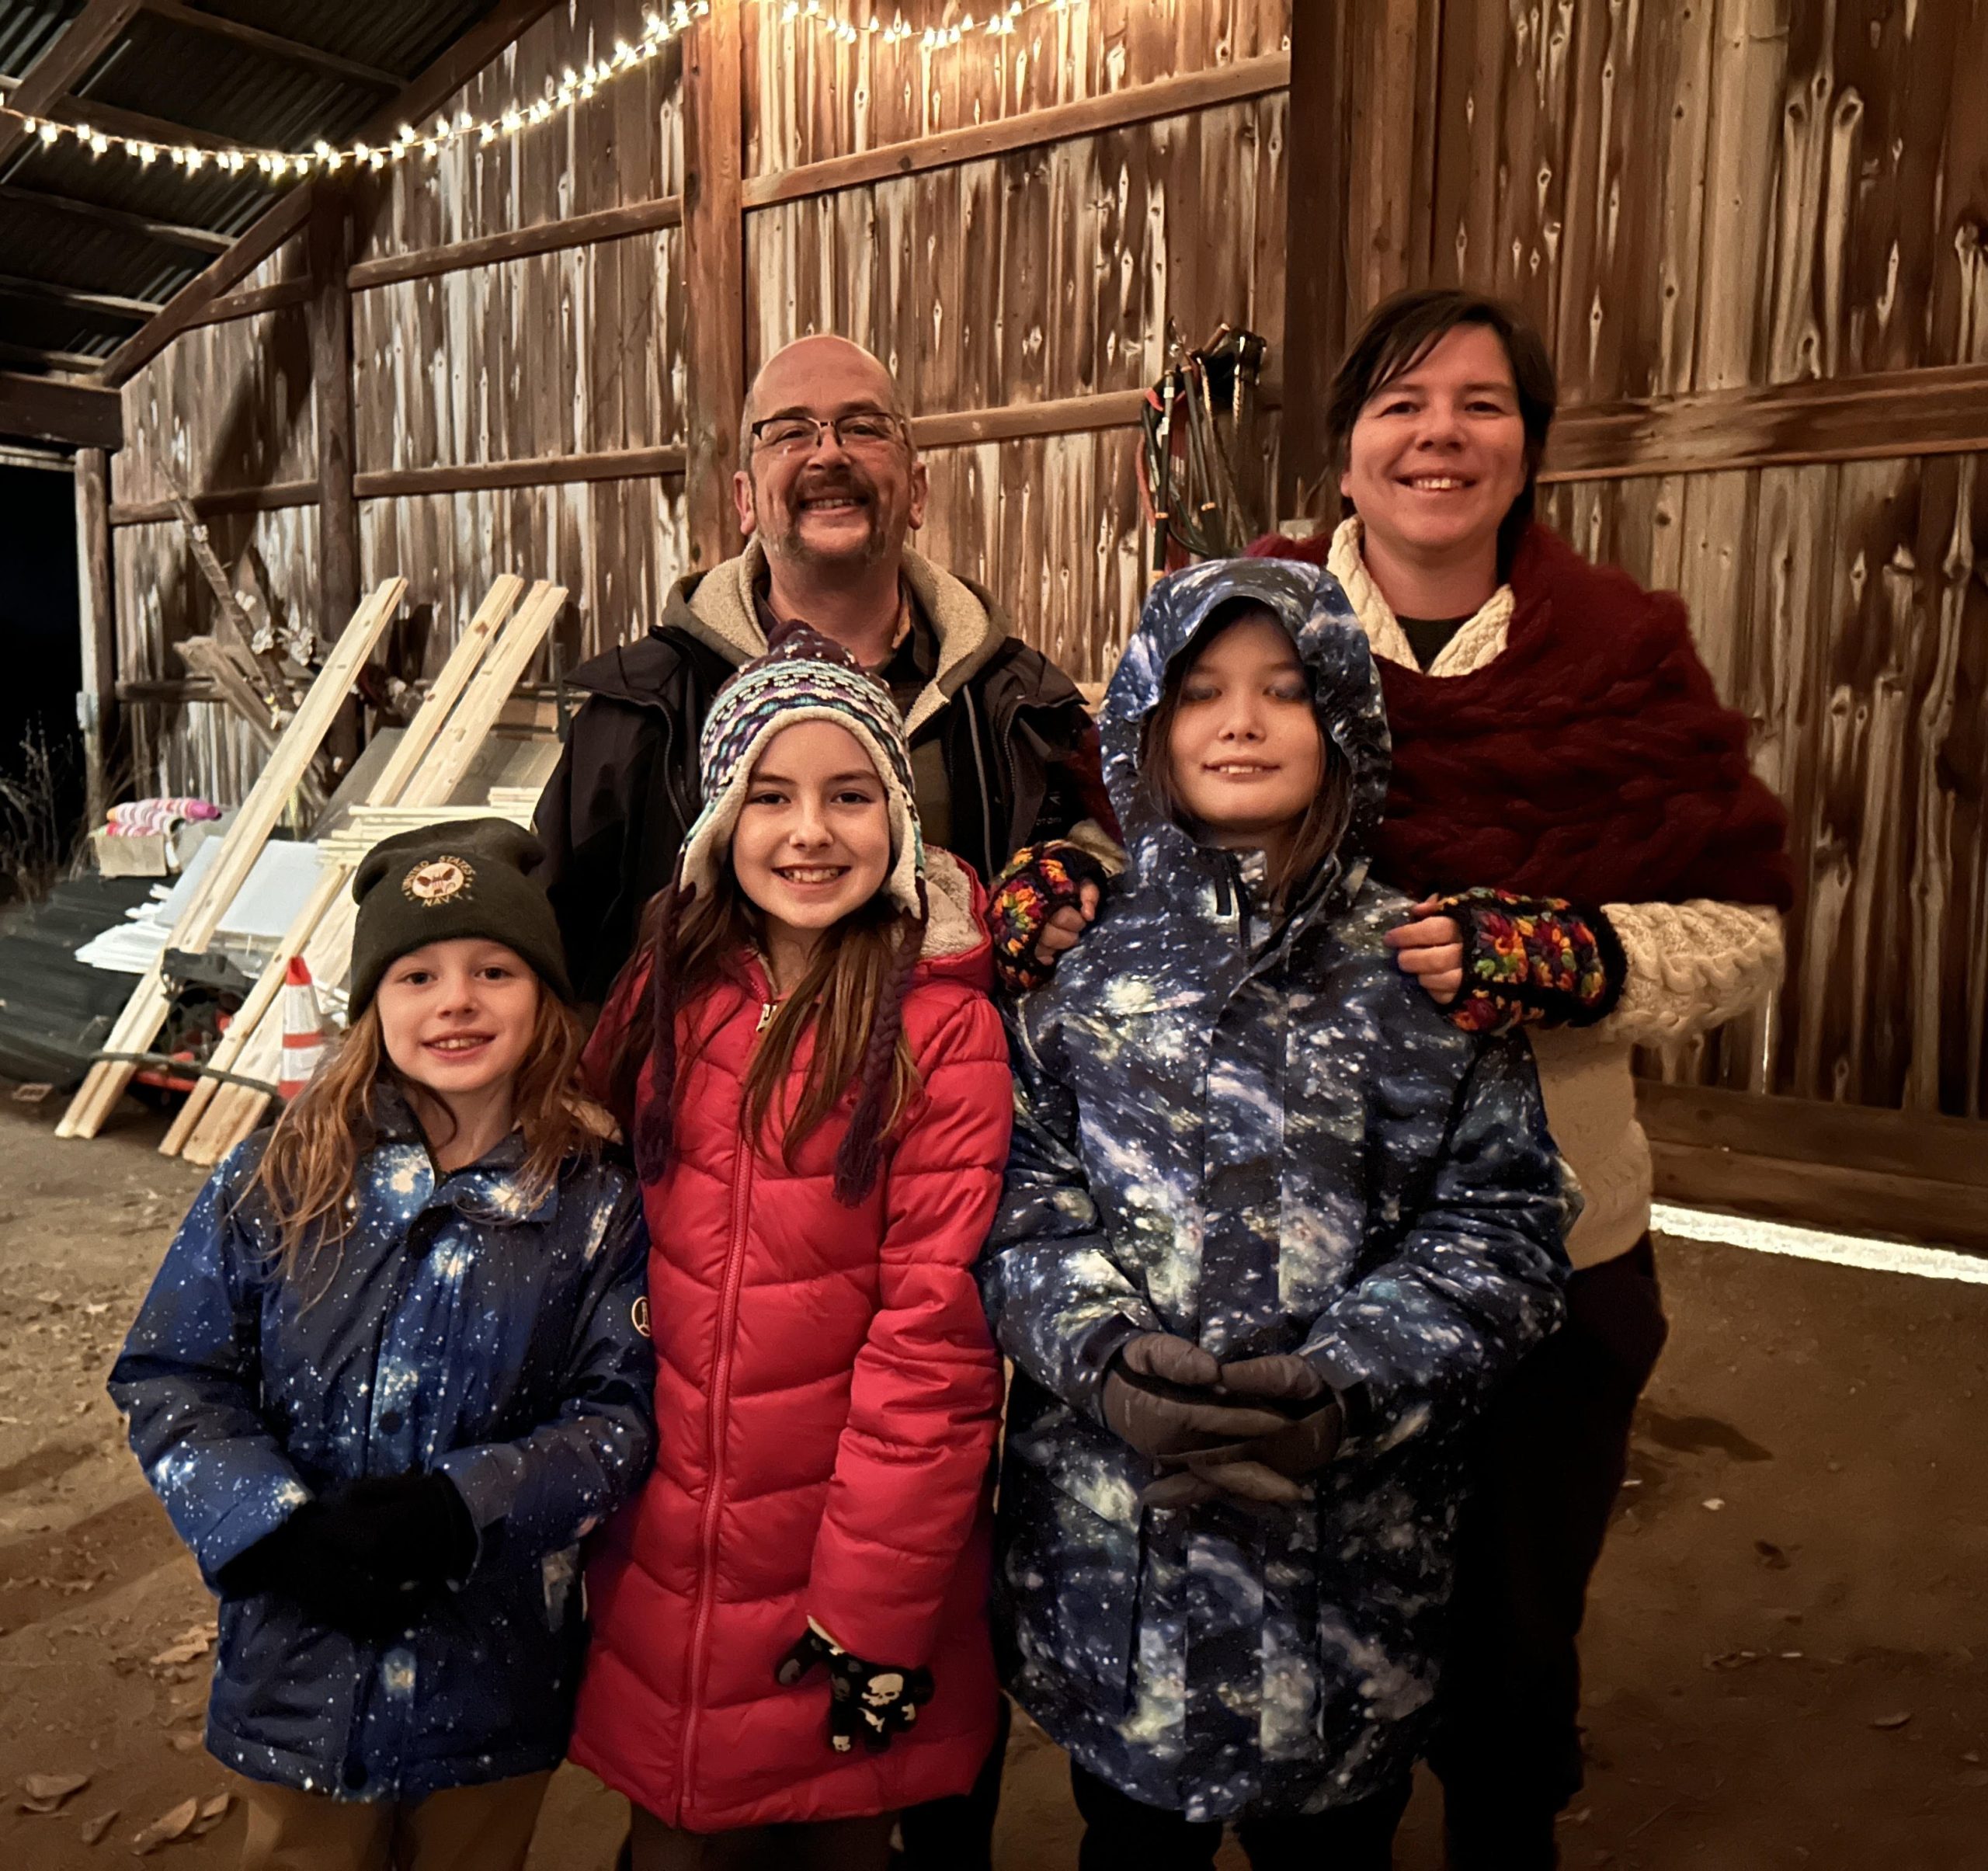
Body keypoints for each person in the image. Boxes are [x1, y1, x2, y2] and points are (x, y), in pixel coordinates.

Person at [1247, 287, 1795, 1866]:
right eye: (1398, 402)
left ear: (1528, 449)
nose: (1438, 434)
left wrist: (1577, 956)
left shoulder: (1622, 656)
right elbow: (1131, 838)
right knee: (1316, 1666)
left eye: (1479, 404)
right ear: (1344, 449)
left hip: (1554, 1248)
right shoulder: (1241, 632)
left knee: (1507, 1661)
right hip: (1300, 1257)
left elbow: (1744, 929)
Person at [980, 558, 1573, 1869]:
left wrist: (1348, 1379)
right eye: (1201, 691)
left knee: (1340, 1843)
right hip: (1118, 1559)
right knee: (1126, 1843)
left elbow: (1506, 1224)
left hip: (1353, 1569)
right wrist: (1107, 1358)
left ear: (1348, 724)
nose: (1241, 720)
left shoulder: (1420, 967)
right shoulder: (1075, 968)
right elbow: (1015, 1196)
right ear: (1146, 719)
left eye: (1286, 691)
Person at [108, 819, 655, 1871]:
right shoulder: (280, 1173)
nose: (457, 999)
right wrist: (271, 1531)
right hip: (299, 1673)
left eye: (494, 968)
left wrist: (466, 1507)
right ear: (374, 1005)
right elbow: (173, 1371)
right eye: (417, 974)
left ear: (543, 996)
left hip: (493, 1677)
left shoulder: (593, 1203)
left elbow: (617, 1418)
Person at [569, 625, 1012, 1870]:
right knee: (668, 1830)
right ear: (720, 823)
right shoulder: (666, 994)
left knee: (836, 1834)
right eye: (771, 796)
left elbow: (935, 1347)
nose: (810, 831)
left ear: (900, 820)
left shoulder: (943, 1035)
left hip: (848, 1563)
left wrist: (872, 1614)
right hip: (668, 1546)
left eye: (849, 794)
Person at [535, 333, 1116, 1010]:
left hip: (964, 1101)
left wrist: (1073, 881)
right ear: (746, 499)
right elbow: (548, 955)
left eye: (864, 427)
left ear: (918, 491)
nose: (829, 452)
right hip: (703, 1105)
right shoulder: (638, 713)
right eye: (789, 431)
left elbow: (1116, 875)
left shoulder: (1026, 709)